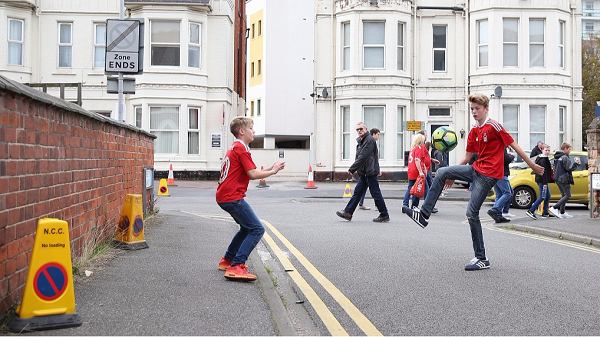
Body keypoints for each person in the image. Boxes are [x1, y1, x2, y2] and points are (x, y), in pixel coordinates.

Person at [403, 93, 543, 271]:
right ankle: (423, 215)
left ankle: (481, 258)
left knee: (471, 213)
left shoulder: (494, 126)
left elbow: (514, 145)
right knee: (442, 172)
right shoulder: (474, 131)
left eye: (477, 109)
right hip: (475, 169)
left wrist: (532, 164)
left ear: (486, 109)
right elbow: (467, 157)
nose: (474, 112)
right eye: (472, 109)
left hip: (488, 176)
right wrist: (453, 174)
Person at [216, 116, 286, 281]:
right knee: (257, 229)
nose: (254, 131)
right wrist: (273, 172)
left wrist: (270, 168)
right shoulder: (242, 149)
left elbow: (249, 170)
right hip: (232, 197)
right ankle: (237, 266)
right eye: (251, 128)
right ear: (242, 131)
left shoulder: (237, 147)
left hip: (225, 196)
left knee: (246, 228)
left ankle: (227, 260)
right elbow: (253, 174)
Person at [336, 122, 390, 222]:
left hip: (369, 172)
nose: (359, 131)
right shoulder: (362, 140)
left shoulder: (369, 140)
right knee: (357, 193)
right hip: (365, 172)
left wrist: (352, 168)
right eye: (357, 129)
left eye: (361, 129)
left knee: (375, 193)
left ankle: (384, 214)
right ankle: (348, 212)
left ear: (366, 129)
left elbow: (363, 156)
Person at [549, 142, 580, 219]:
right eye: (569, 149)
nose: (570, 151)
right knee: (568, 195)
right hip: (563, 179)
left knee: (564, 195)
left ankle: (562, 212)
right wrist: (576, 164)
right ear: (565, 149)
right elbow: (569, 168)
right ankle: (555, 208)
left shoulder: (557, 156)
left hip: (557, 178)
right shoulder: (565, 157)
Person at [526, 143, 554, 220]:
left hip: (542, 180)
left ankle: (545, 212)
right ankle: (531, 210)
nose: (547, 152)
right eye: (546, 150)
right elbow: (543, 172)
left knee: (548, 195)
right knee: (543, 196)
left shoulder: (544, 158)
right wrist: (545, 183)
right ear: (542, 150)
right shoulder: (543, 160)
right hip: (542, 180)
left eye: (548, 150)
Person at [487, 147, 515, 223]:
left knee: (499, 194)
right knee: (508, 193)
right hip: (500, 173)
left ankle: (499, 215)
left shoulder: (495, 146)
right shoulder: (501, 146)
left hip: (495, 173)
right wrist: (512, 155)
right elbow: (505, 159)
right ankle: (494, 210)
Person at [402, 134, 429, 211]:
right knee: (423, 188)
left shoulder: (412, 149)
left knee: (411, 188)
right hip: (416, 171)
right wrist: (421, 171)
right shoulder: (419, 148)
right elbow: (418, 161)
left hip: (411, 171)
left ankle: (405, 204)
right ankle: (424, 206)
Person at [358, 128, 381, 210]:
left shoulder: (369, 142)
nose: (379, 136)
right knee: (375, 189)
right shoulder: (371, 142)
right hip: (370, 170)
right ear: (373, 134)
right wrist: (376, 170)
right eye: (378, 134)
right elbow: (372, 159)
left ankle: (360, 203)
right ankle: (378, 206)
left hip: (368, 170)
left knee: (363, 188)